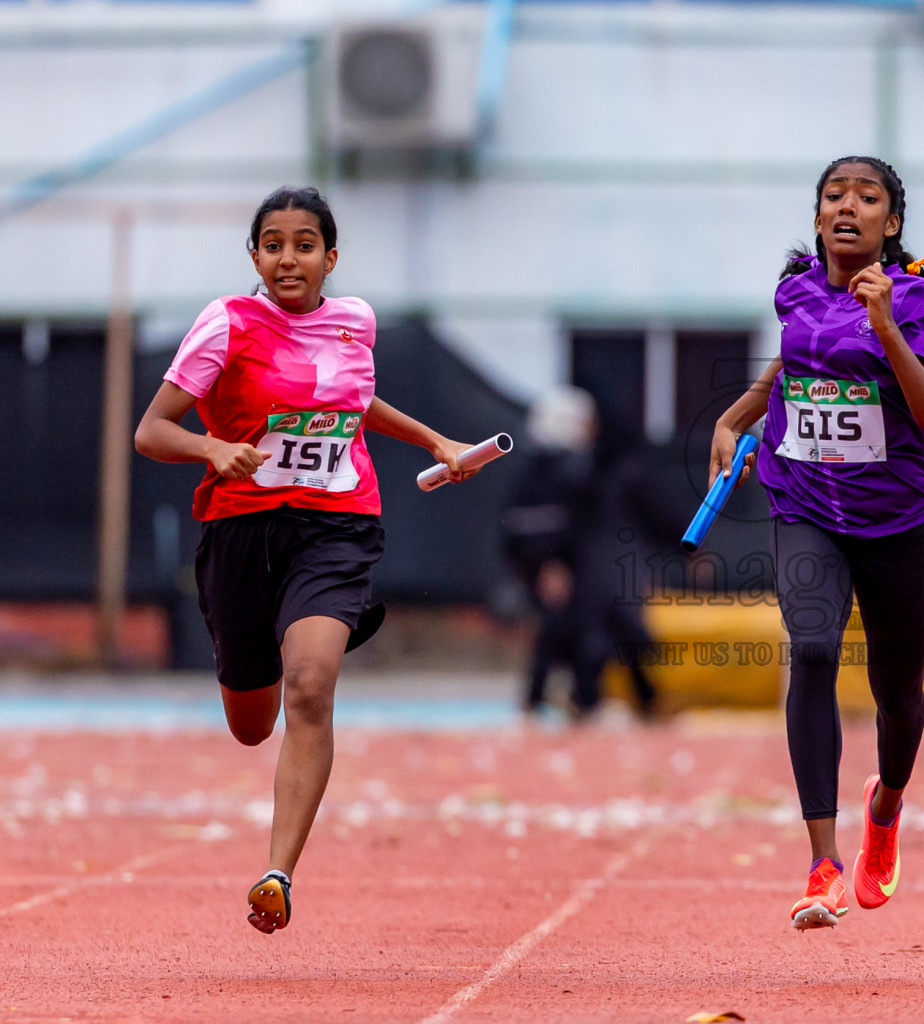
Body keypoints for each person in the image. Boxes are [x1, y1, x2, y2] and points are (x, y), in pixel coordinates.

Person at [134, 186, 477, 933]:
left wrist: (435, 442)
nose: (289, 258)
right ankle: (252, 691)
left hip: (335, 524)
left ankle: (277, 871)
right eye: (273, 244)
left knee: (313, 685)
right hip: (241, 531)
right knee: (252, 724)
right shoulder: (225, 323)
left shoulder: (356, 322)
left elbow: (356, 406)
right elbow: (151, 431)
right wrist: (211, 447)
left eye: (305, 244)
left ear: (330, 256)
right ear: (255, 256)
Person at [709, 155, 924, 930]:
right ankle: (822, 862)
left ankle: (883, 810)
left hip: (896, 524)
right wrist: (734, 419)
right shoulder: (793, 289)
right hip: (806, 505)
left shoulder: (914, 300)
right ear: (818, 216)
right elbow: (791, 366)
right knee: (812, 648)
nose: (848, 206)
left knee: (899, 700)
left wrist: (885, 326)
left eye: (867, 197)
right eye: (834, 195)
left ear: (892, 221)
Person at [503, 387, 662, 721]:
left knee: (587, 635)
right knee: (569, 633)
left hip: (576, 568)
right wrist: (551, 563)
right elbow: (547, 522)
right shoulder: (560, 468)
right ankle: (566, 702)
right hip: (564, 567)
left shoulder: (567, 465)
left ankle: (583, 700)